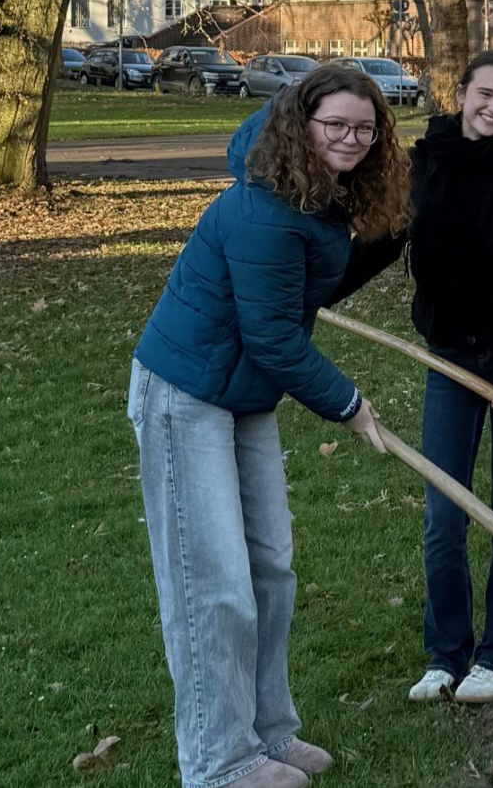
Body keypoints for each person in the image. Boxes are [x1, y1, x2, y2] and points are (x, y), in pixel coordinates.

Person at [128, 66, 411, 788]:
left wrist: (384, 239)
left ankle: (267, 732)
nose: (350, 139)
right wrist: (350, 404)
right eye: (336, 126)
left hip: (241, 393)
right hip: (185, 391)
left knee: (269, 569)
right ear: (302, 125)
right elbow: (274, 336)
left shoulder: (320, 197)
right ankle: (217, 760)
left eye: (363, 127)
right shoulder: (265, 206)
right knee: (211, 580)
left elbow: (308, 283)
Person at [342, 51, 493, 704]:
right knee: (443, 513)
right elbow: (385, 241)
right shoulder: (426, 160)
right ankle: (445, 653)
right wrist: (315, 289)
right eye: (484, 93)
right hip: (449, 359)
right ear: (460, 92)